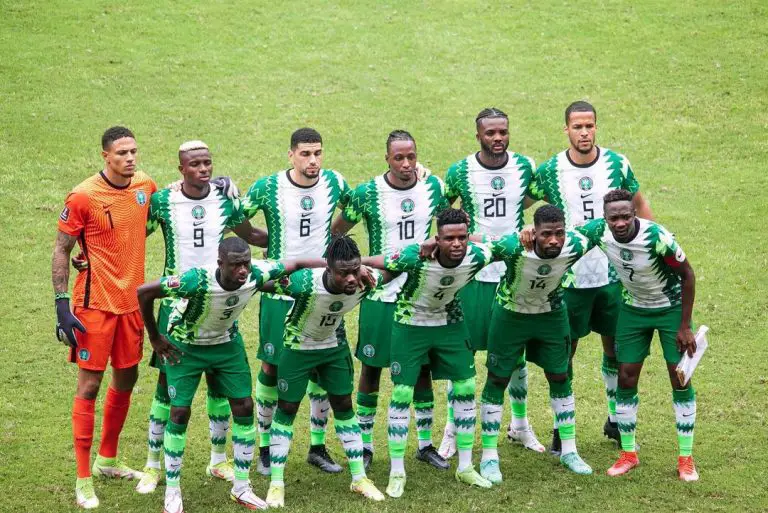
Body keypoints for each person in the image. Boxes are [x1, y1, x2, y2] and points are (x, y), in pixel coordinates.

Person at [137, 237, 325, 512]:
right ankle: (173, 491)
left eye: (246, 263)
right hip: (186, 346)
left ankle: (241, 487)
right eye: (236, 265)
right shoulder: (195, 280)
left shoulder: (256, 273)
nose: (243, 270)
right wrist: (154, 337)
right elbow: (144, 292)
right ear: (220, 263)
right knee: (179, 412)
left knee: (244, 405)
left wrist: (334, 267)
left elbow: (296, 263)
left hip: (226, 344)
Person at [133, 141, 268, 493]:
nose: (203, 169)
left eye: (207, 163)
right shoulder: (163, 201)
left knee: (220, 385)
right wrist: (91, 253)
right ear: (181, 169)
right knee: (167, 390)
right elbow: (134, 235)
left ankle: (218, 460)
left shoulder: (224, 200)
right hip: (175, 307)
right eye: (195, 164)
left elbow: (251, 235)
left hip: (219, 302)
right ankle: (152, 465)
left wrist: (302, 243)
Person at [528, 101, 654, 451]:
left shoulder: (617, 163)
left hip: (614, 274)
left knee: (616, 348)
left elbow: (639, 204)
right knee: (564, 353)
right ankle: (561, 426)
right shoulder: (550, 169)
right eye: (577, 127)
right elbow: (516, 201)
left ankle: (616, 420)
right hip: (569, 278)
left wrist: (652, 247)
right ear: (566, 129)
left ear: (596, 127)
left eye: (589, 126)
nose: (584, 133)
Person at [52, 126, 157, 509]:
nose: (130, 158)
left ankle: (107, 459)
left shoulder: (145, 185)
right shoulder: (83, 196)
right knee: (90, 386)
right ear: (105, 156)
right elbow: (62, 248)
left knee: (127, 377)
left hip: (132, 305)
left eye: (133, 151)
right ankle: (83, 478)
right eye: (122, 153)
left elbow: (155, 219)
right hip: (94, 306)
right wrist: (62, 303)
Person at [331, 130, 449, 470]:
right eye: (399, 157)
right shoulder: (368, 193)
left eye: (411, 156)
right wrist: (355, 264)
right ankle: (366, 446)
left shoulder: (433, 187)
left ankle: (424, 444)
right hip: (381, 293)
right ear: (387, 159)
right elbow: (337, 232)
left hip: (422, 292)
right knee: (372, 368)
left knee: (423, 367)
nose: (406, 163)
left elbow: (449, 226)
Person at [363, 208, 495, 498]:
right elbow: (373, 261)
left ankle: (465, 467)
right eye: (449, 238)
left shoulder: (479, 255)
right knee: (401, 393)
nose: (457, 244)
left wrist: (528, 234)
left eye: (462, 237)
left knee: (466, 386)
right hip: (410, 324)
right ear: (438, 239)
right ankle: (397, 471)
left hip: (450, 323)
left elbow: (505, 243)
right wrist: (355, 267)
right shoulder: (415, 255)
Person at [242, 127, 352, 475]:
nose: (313, 160)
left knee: (322, 365)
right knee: (272, 367)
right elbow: (236, 218)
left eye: (317, 153)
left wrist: (333, 238)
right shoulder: (268, 187)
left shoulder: (335, 182)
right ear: (291, 155)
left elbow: (356, 207)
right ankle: (265, 448)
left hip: (323, 291)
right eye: (305, 154)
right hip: (280, 293)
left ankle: (317, 447)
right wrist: (267, 239)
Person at [439, 107, 543, 458]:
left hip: (513, 274)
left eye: (503, 132)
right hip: (472, 276)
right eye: (490, 133)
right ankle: (453, 429)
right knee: (462, 353)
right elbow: (441, 214)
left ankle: (520, 425)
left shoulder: (525, 166)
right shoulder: (460, 171)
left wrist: (527, 228)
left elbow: (532, 202)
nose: (498, 138)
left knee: (515, 355)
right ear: (478, 136)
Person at [574, 190, 698, 481]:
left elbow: (688, 275)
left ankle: (686, 458)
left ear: (634, 214)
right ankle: (628, 453)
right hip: (633, 310)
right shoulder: (598, 231)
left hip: (669, 309)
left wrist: (684, 326)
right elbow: (564, 238)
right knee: (626, 376)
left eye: (625, 217)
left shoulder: (657, 237)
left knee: (679, 378)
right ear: (605, 218)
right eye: (613, 218)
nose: (620, 223)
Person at [264, 235, 389, 507]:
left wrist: (365, 266)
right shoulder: (304, 283)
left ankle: (359, 478)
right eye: (343, 273)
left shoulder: (365, 281)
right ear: (328, 269)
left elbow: (396, 267)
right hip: (298, 347)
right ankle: (276, 483)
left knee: (344, 404)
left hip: (333, 347)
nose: (351, 279)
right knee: (287, 409)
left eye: (355, 270)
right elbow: (263, 282)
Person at [477, 205, 595, 482]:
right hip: (510, 315)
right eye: (546, 234)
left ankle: (569, 451)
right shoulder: (514, 246)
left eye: (559, 233)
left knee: (560, 375)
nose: (554, 240)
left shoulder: (576, 244)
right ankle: (489, 456)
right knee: (497, 379)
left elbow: (604, 226)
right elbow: (477, 242)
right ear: (535, 232)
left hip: (551, 315)